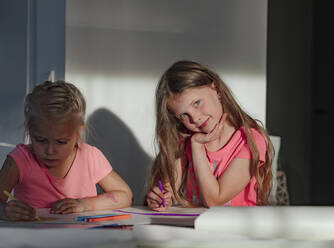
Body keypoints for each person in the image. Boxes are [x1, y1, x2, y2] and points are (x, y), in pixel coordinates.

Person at [146, 60, 273, 211]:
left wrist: (197, 147)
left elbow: (215, 200)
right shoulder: (185, 138)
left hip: (235, 231)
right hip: (195, 229)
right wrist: (160, 199)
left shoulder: (251, 140)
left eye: (197, 103)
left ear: (216, 89)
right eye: (183, 115)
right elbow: (169, 190)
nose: (195, 118)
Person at [0, 80, 132, 221]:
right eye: (40, 140)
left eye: (61, 142)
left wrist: (84, 204)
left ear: (78, 133)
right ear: (29, 131)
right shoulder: (20, 158)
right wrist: (5, 212)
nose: (50, 151)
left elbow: (125, 195)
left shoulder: (89, 157)